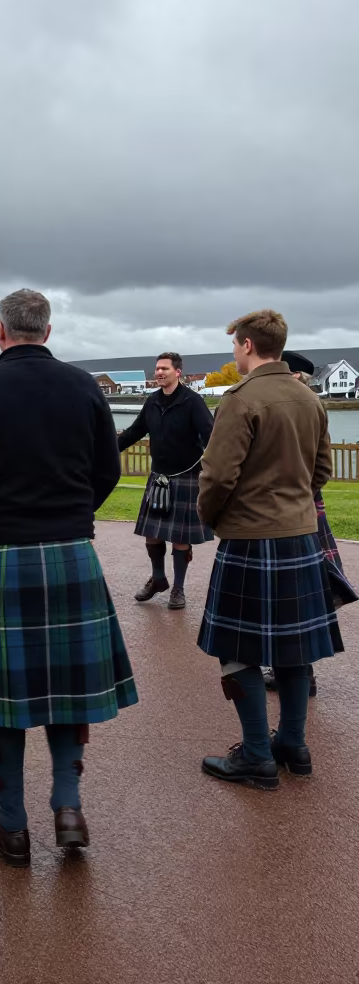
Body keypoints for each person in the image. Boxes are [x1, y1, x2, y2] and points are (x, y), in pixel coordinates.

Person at [0, 290, 138, 866]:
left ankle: (14, 824)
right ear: (47, 331)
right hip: (73, 552)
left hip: (1, 554)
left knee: (4, 699)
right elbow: (107, 470)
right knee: (69, 688)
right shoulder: (83, 387)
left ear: (1, 331)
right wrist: (74, 516)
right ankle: (68, 807)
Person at [197, 310, 342, 790]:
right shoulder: (309, 397)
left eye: (234, 346)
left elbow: (218, 477)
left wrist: (213, 517)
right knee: (294, 649)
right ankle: (293, 746)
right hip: (301, 537)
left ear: (246, 345)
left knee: (236, 650)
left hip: (250, 538)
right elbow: (322, 471)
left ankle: (257, 755)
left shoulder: (241, 401)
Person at [261, 350, 355, 699]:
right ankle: (298, 671)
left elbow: (318, 466)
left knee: (298, 593)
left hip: (296, 510)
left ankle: (300, 673)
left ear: (297, 376)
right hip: (304, 506)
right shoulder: (305, 405)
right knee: (300, 592)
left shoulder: (300, 406)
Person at [117, 353, 214, 609]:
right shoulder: (153, 401)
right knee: (152, 533)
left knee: (180, 537)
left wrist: (214, 466)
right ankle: (158, 579)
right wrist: (108, 448)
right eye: (157, 369)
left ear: (178, 372)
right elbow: (135, 431)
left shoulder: (192, 401)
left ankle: (178, 589)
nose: (159, 373)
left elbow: (211, 435)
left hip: (186, 476)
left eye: (164, 369)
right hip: (159, 477)